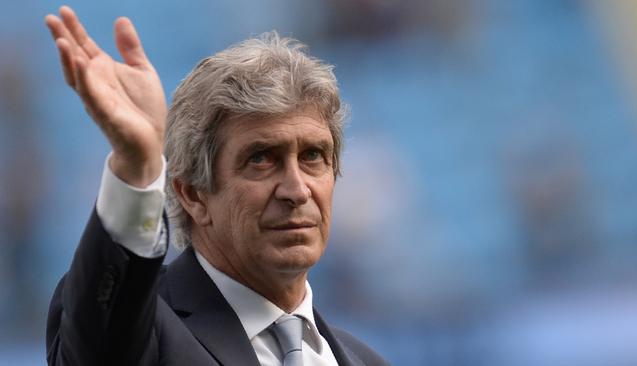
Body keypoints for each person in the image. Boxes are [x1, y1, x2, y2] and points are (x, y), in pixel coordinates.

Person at [44, 5, 389, 366]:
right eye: (261, 159)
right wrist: (138, 167)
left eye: (313, 156)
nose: (297, 190)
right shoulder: (144, 328)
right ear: (193, 194)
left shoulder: (367, 360)